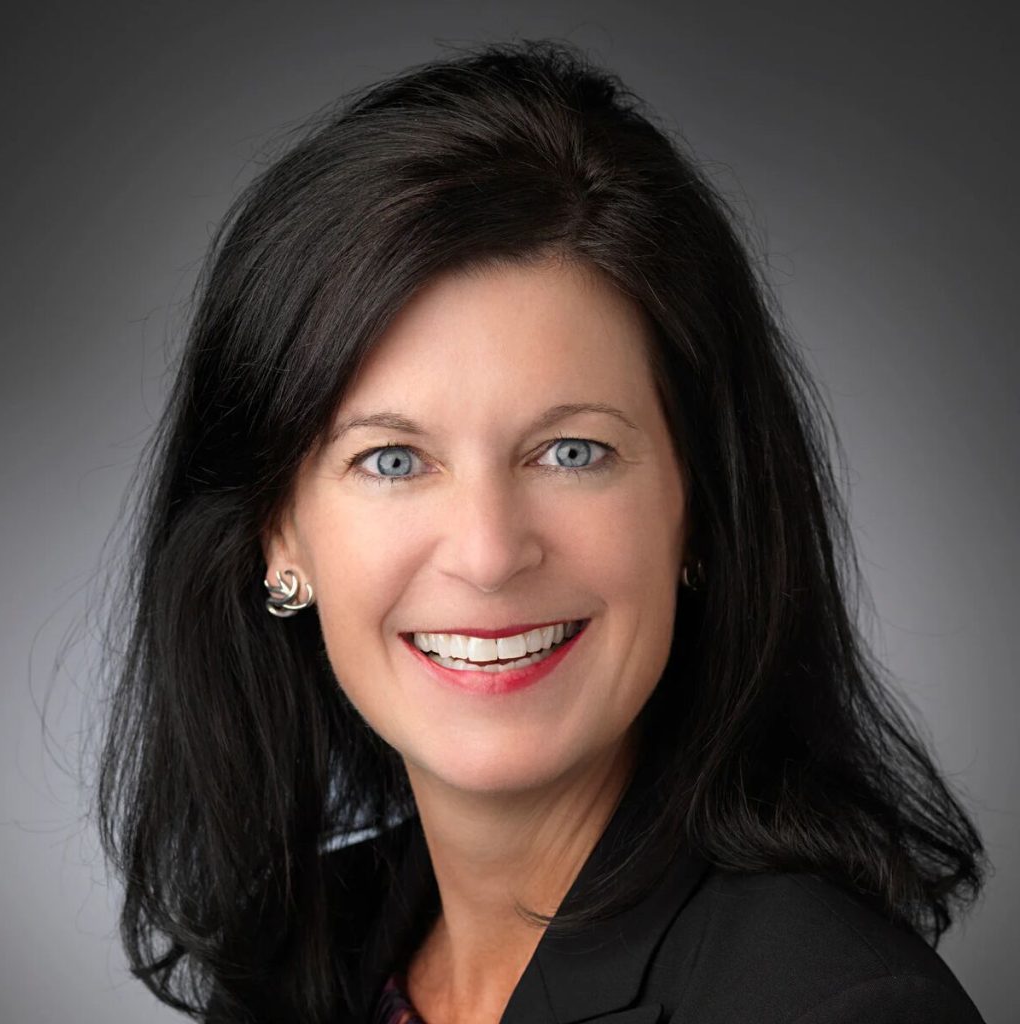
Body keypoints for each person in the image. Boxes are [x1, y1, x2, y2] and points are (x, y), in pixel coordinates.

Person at [94, 39, 988, 1024]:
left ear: (701, 507)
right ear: (278, 534)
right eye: (394, 460)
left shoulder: (833, 1004)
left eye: (571, 452)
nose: (485, 553)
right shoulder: (305, 961)